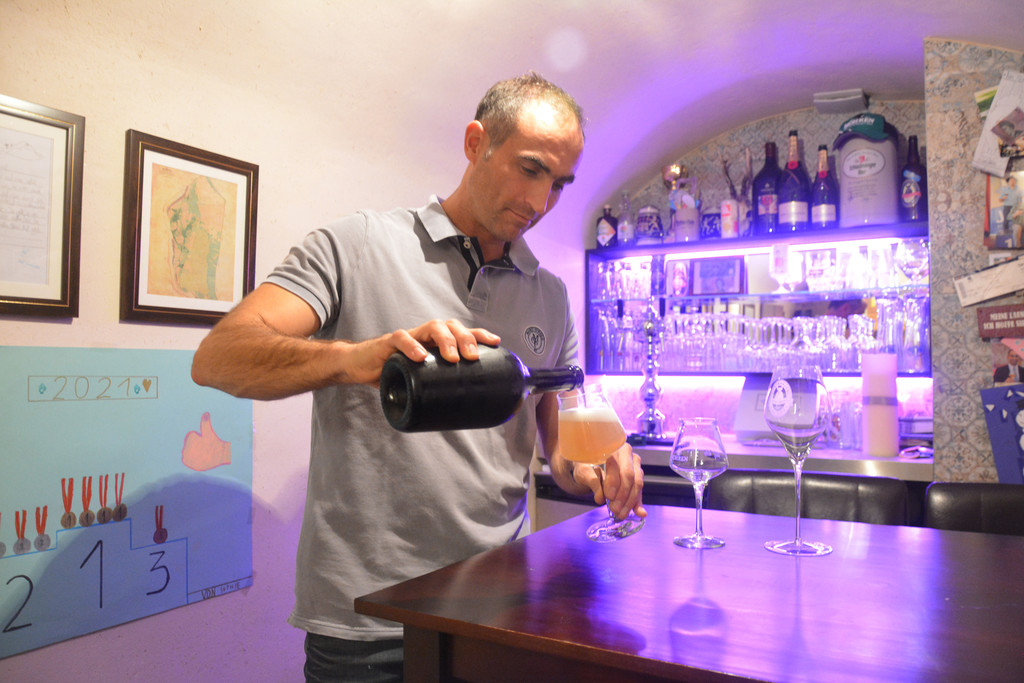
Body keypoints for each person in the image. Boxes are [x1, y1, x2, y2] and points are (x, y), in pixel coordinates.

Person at [191, 72, 645, 682]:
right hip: (370, 621)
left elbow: (559, 450)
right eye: (530, 169)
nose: (541, 204)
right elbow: (219, 357)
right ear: (476, 142)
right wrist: (353, 359)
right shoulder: (357, 245)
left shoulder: (551, 295)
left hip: (503, 607)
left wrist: (593, 466)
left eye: (559, 184)